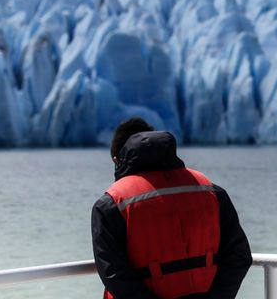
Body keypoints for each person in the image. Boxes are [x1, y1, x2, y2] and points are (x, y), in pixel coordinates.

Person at [92, 118, 252, 298]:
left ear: (118, 159)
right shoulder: (211, 191)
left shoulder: (111, 204)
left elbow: (114, 274)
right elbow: (239, 256)